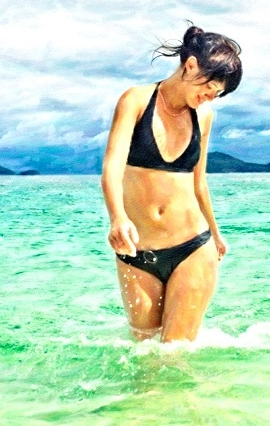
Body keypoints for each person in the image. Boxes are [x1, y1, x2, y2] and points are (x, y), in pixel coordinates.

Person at [101, 24, 243, 343]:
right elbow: (111, 167)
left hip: (192, 246)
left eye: (218, 94)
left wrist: (216, 234)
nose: (211, 97)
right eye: (210, 87)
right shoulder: (136, 100)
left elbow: (199, 183)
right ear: (190, 65)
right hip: (138, 252)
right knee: (143, 351)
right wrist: (117, 218)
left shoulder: (203, 116)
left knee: (174, 353)